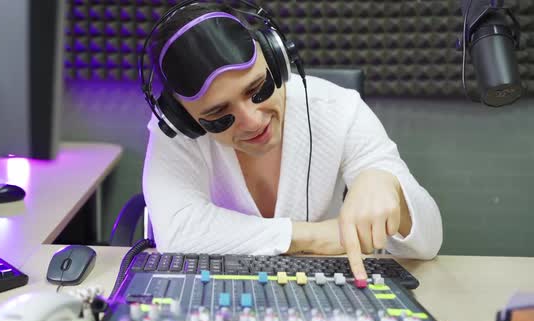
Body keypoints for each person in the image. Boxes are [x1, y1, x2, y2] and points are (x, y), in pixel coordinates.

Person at [141, 2, 442, 281]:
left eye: (258, 89)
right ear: (182, 117)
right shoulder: (175, 132)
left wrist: (389, 186)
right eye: (219, 114)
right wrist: (311, 236)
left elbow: (428, 242)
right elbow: (178, 230)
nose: (253, 121)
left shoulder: (337, 108)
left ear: (275, 59)